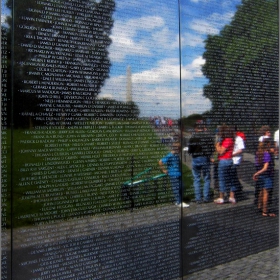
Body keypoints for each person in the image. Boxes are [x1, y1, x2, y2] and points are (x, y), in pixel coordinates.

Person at [188, 123, 214, 203]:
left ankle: (198, 198)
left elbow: (190, 150)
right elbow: (212, 148)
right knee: (206, 178)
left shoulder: (193, 137)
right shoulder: (208, 137)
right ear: (203, 128)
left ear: (196, 128)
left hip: (196, 158)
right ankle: (206, 197)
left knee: (196, 179)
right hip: (205, 158)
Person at [159, 142, 189, 208]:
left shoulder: (176, 155)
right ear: (176, 149)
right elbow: (160, 161)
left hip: (179, 174)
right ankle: (179, 202)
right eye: (179, 149)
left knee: (181, 187)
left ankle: (179, 201)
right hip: (173, 174)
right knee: (176, 188)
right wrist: (163, 170)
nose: (180, 151)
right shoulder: (170, 155)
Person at [253, 139, 276, 217]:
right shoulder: (266, 154)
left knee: (261, 191)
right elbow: (265, 167)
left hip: (260, 176)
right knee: (266, 193)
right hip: (267, 175)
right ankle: (265, 211)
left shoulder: (258, 153)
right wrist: (257, 173)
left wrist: (257, 173)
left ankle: (259, 206)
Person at [214, 125, 236, 204]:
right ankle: (231, 197)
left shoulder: (227, 140)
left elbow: (221, 151)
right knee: (231, 179)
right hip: (230, 160)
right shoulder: (231, 140)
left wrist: (217, 145)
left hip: (224, 161)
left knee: (222, 179)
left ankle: (221, 197)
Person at [232, 127, 245, 201]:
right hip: (230, 159)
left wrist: (232, 154)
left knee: (233, 175)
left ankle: (237, 190)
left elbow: (240, 150)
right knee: (233, 175)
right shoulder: (229, 138)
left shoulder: (239, 139)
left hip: (236, 159)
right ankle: (238, 188)